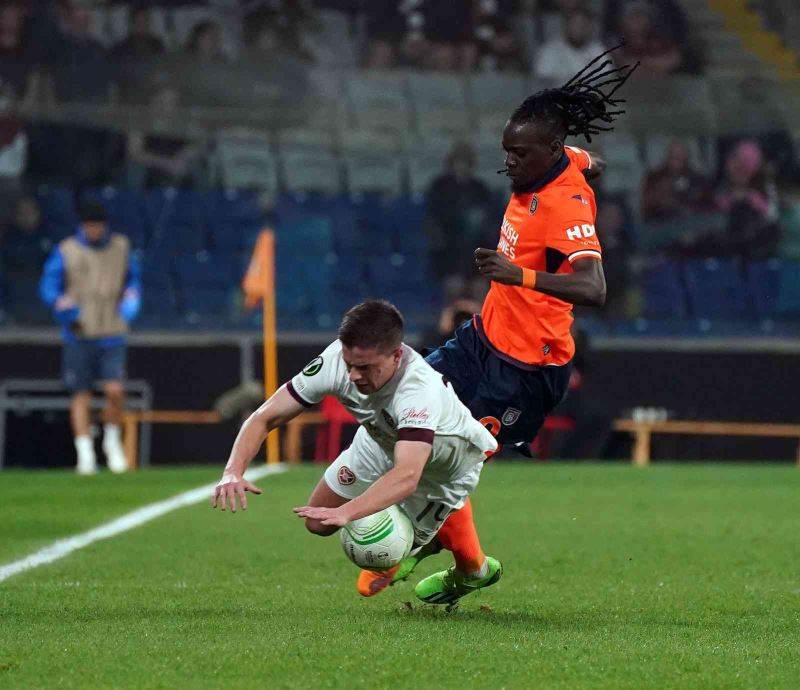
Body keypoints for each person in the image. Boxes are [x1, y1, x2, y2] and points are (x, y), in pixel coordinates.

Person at [362, 47, 637, 600]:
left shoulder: (566, 207)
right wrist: (589, 163)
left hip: (527, 368)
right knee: (400, 407)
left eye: (519, 154)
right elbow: (589, 162)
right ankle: (456, 558)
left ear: (549, 151)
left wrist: (519, 275)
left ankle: (433, 556)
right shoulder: (564, 160)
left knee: (447, 454)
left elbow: (595, 288)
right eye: (506, 151)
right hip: (481, 340)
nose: (509, 163)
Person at [212, 300, 502, 606]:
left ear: (396, 355)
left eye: (364, 367)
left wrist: (347, 512)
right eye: (350, 364)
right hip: (379, 440)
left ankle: (468, 569)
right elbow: (264, 417)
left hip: (444, 467)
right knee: (317, 523)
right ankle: (422, 542)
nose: (352, 375)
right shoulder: (338, 359)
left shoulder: (418, 391)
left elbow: (407, 476)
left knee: (392, 550)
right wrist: (233, 470)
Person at [39, 200, 141, 475]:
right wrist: (58, 301)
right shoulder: (67, 251)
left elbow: (133, 280)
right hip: (79, 333)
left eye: (97, 226)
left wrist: (131, 297)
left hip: (112, 331)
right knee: (80, 395)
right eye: (89, 226)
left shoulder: (121, 247)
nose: (94, 231)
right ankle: (84, 454)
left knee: (115, 391)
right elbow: (49, 287)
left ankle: (111, 441)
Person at [424, 142, 498, 300]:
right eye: (459, 162)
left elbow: (488, 221)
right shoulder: (439, 187)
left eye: (466, 162)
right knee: (455, 286)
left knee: (481, 288)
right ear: (451, 163)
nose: (462, 167)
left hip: (475, 250)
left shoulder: (480, 189)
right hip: (449, 251)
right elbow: (434, 221)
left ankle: (480, 323)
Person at [641, 141, 713, 222]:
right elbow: (646, 207)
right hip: (662, 225)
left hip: (692, 224)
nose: (678, 159)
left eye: (682, 156)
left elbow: (709, 205)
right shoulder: (654, 178)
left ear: (687, 158)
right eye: (674, 156)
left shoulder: (698, 179)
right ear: (668, 156)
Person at [535, 8, 606, 83]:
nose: (579, 29)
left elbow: (607, 80)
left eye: (583, 24)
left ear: (589, 27)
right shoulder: (549, 51)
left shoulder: (598, 49)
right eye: (574, 24)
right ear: (565, 26)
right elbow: (542, 83)